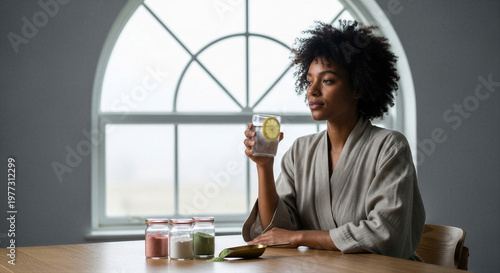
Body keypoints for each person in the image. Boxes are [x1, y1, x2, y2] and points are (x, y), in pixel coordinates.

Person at [242, 21, 425, 260]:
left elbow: (384, 233)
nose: (312, 91)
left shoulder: (389, 147)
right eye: (309, 81)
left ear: (357, 87)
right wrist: (264, 165)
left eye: (327, 80)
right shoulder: (301, 151)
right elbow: (276, 230)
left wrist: (300, 238)